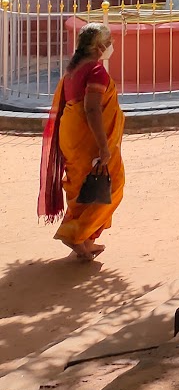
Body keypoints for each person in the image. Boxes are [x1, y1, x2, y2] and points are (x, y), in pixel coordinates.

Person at [37, 22, 125, 263]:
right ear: (98, 46)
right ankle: (75, 234)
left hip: (71, 134)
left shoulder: (73, 71)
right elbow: (92, 109)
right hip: (86, 137)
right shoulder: (95, 71)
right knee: (113, 183)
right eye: (109, 41)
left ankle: (86, 240)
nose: (112, 46)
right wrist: (104, 147)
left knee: (81, 185)